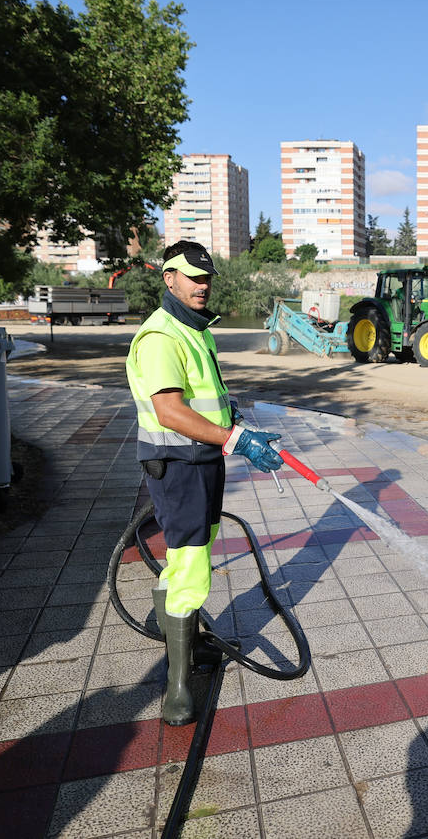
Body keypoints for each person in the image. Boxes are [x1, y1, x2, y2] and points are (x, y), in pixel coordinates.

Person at [125, 241, 283, 725]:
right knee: (193, 563)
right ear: (168, 278)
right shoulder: (160, 337)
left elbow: (203, 395)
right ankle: (177, 685)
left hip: (202, 458)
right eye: (192, 277)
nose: (202, 285)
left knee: (191, 551)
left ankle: (185, 638)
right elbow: (169, 411)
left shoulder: (196, 331)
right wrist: (236, 440)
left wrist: (230, 417)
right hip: (178, 463)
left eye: (207, 277)